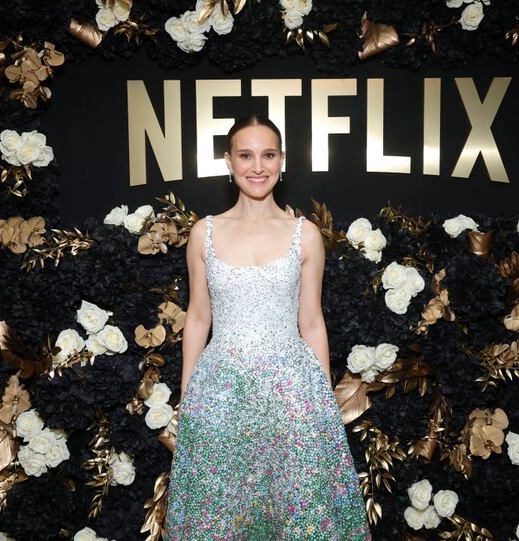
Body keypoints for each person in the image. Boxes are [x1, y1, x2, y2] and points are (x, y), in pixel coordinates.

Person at [165, 113, 372, 540]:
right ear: (229, 162)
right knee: (220, 514)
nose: (257, 166)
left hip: (292, 393)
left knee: (301, 515)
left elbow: (312, 321)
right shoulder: (204, 232)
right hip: (221, 392)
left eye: (267, 154)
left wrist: (323, 398)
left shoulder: (306, 234)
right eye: (246, 155)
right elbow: (199, 316)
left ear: (282, 161)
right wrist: (189, 392)